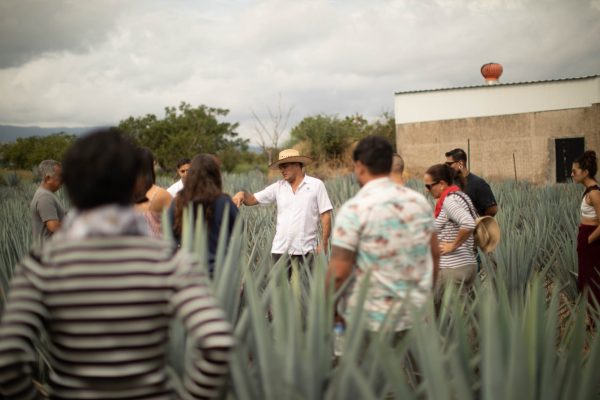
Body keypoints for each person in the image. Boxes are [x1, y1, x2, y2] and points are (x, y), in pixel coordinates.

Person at [0, 128, 234, 399]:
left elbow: (7, 359)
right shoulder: (168, 261)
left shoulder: (42, 265)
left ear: (72, 186)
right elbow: (217, 344)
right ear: (136, 185)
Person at [326, 136, 439, 335]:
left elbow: (338, 274)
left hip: (371, 324)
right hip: (416, 319)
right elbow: (435, 256)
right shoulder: (420, 203)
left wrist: (331, 312)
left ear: (359, 166)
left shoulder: (354, 210)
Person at [232, 149, 333, 272]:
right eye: (280, 167)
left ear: (296, 164)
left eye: (285, 167)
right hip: (280, 251)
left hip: (307, 251)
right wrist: (242, 194)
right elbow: (252, 199)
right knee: (278, 289)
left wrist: (324, 242)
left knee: (304, 290)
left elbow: (325, 215)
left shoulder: (316, 185)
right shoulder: (278, 187)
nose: (282, 170)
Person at [170, 153, 238, 278]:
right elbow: (239, 230)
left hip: (187, 273)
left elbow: (169, 236)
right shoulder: (224, 202)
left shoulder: (177, 202)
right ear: (216, 175)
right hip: (220, 275)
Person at [424, 163, 478, 299]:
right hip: (465, 264)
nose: (427, 190)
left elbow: (468, 223)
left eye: (428, 186)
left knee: (455, 318)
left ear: (441, 184)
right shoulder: (461, 196)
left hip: (453, 269)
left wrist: (452, 245)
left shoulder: (450, 201)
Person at [571, 150, 600, 306]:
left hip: (591, 242)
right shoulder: (589, 191)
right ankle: (590, 320)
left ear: (586, 172)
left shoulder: (595, 193)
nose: (572, 174)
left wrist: (588, 240)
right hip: (587, 241)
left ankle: (595, 321)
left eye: (574, 171)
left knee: (592, 283)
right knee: (586, 281)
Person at [445, 148, 498, 216]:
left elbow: (492, 209)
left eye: (449, 164)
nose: (448, 167)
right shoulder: (450, 183)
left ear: (460, 163)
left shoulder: (478, 184)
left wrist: (477, 221)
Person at [134, 147, 173, 237]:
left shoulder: (123, 196)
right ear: (152, 165)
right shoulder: (160, 194)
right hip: (158, 249)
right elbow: (178, 224)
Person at [30, 159, 65, 246]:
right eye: (60, 177)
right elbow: (53, 226)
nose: (63, 181)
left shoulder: (46, 194)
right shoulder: (44, 197)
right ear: (48, 178)